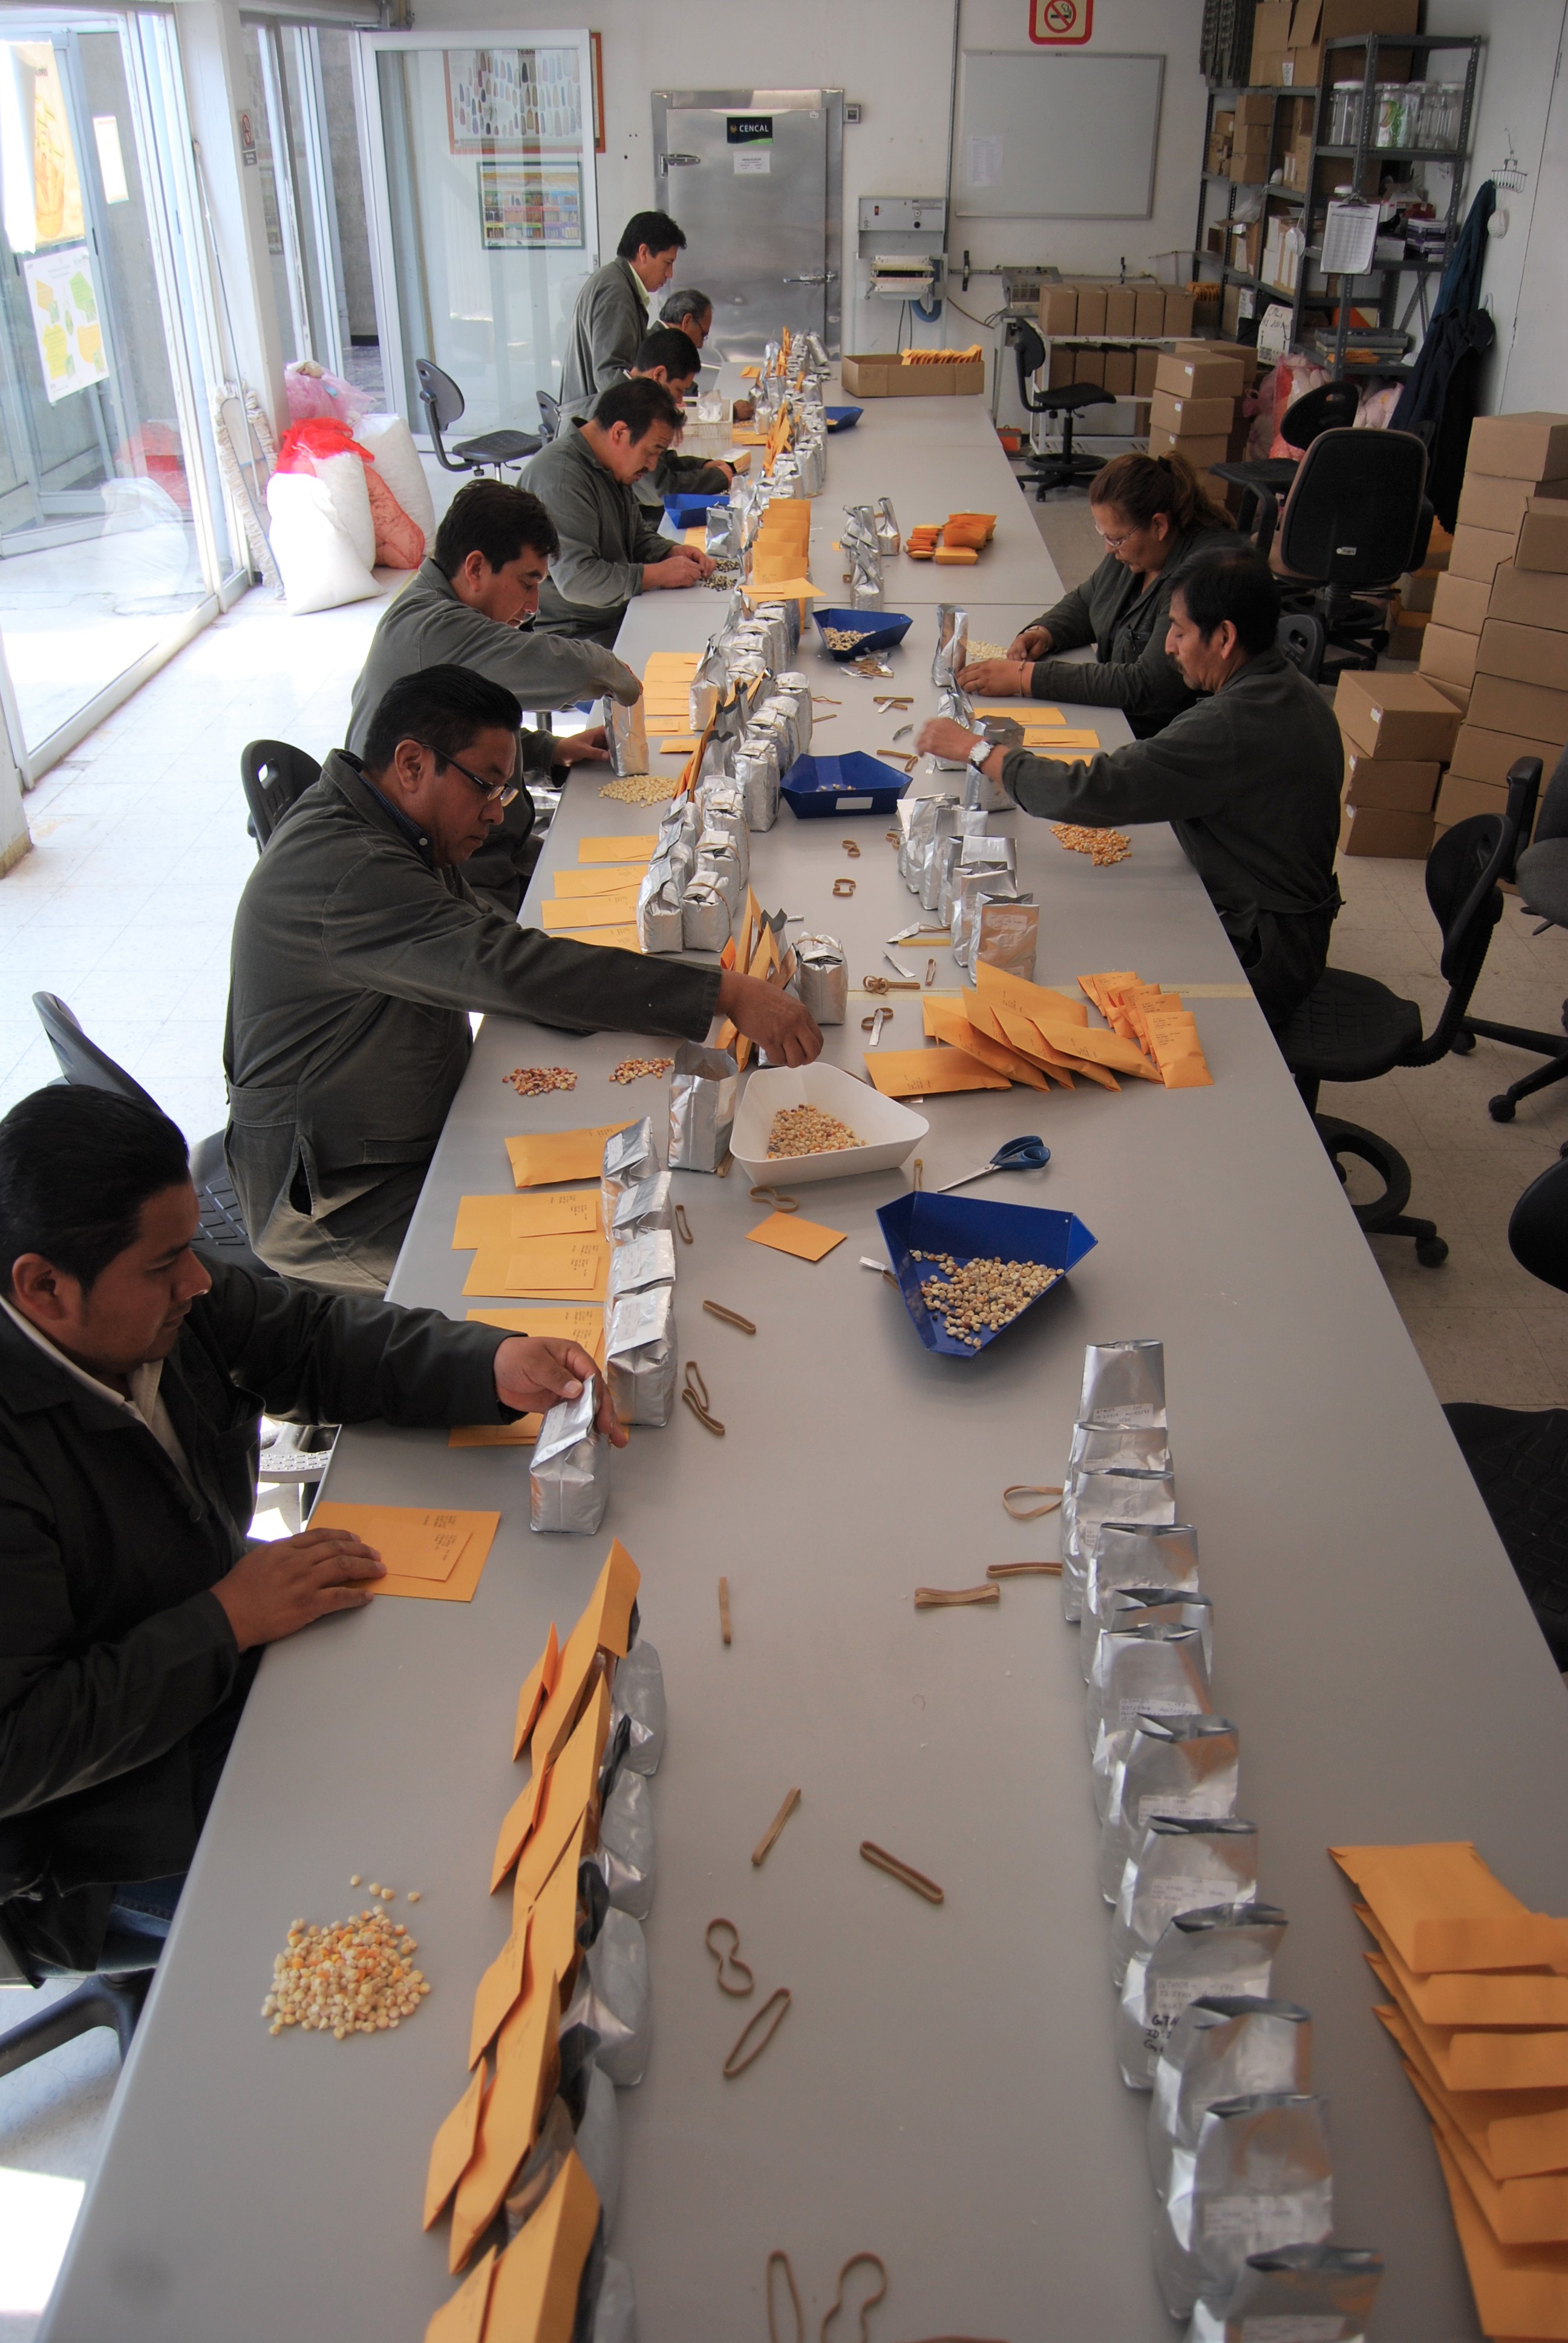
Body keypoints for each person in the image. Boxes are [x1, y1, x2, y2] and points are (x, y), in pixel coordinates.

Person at [0, 1086, 628, 1974]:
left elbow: (313, 1339)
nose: (200, 1280)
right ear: (42, 1287)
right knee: (428, 1866)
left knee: (461, 1704)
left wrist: (490, 1362)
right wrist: (225, 1619)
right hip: (89, 1837)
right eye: (164, 1265)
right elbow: (18, 1746)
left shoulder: (163, 1308)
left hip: (210, 1647)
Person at [226, 665, 818, 1291]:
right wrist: (722, 993)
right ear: (410, 763)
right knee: (598, 1264)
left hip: (390, 1130)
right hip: (339, 1198)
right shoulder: (353, 875)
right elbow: (512, 970)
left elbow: (494, 950)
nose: (495, 813)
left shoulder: (388, 820)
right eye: (486, 787)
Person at [916, 544, 1342, 1028]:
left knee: (1084, 981)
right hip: (1274, 914)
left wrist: (977, 751)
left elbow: (1096, 790)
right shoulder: (1291, 690)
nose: (1168, 647)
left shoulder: (1232, 724)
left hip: (1265, 953)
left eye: (1180, 631)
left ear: (1224, 637)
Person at [345, 481, 641, 916]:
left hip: (490, 848)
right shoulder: (436, 627)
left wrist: (547, 750)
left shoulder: (431, 608)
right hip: (449, 867)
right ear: (476, 568)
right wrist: (624, 681)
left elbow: (453, 740)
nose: (534, 605)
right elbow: (560, 667)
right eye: (527, 583)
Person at [958, 451, 1234, 739]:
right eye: (1103, 535)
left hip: (1161, 736)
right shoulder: (1136, 551)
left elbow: (1148, 684)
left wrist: (1023, 678)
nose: (1108, 550)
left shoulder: (1200, 575)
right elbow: (1088, 599)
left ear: (1159, 526)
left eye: (1115, 538)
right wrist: (1045, 632)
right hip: (1118, 716)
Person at [526, 377, 714, 646]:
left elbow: (635, 536)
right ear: (619, 433)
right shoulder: (561, 479)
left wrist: (668, 552)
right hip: (577, 634)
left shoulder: (611, 464)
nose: (652, 466)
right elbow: (579, 581)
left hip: (618, 613)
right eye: (652, 452)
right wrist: (657, 574)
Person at [560, 211, 687, 408]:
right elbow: (609, 376)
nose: (670, 274)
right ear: (644, 253)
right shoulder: (616, 292)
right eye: (667, 263)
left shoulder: (617, 281)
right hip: (588, 422)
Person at [598, 326, 733, 506]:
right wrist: (716, 479)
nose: (679, 401)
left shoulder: (629, 394)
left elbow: (660, 461)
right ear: (659, 375)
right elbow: (658, 490)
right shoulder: (628, 407)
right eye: (679, 391)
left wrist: (701, 467)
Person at [659, 287, 755, 421]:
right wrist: (731, 412)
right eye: (702, 335)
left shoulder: (661, 340)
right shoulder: (665, 348)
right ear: (687, 322)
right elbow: (690, 407)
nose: (700, 345)